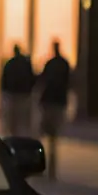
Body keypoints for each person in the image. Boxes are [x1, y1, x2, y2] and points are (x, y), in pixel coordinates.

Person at [36, 39, 73, 178]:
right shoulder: (64, 64)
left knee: (42, 134)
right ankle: (52, 169)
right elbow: (70, 82)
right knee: (53, 138)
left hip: (48, 101)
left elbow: (42, 80)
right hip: (59, 102)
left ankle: (41, 165)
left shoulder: (50, 63)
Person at [0, 44, 35, 137]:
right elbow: (32, 79)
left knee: (13, 121)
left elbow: (4, 80)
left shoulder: (10, 63)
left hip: (13, 95)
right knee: (22, 120)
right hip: (24, 95)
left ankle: (14, 136)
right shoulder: (25, 64)